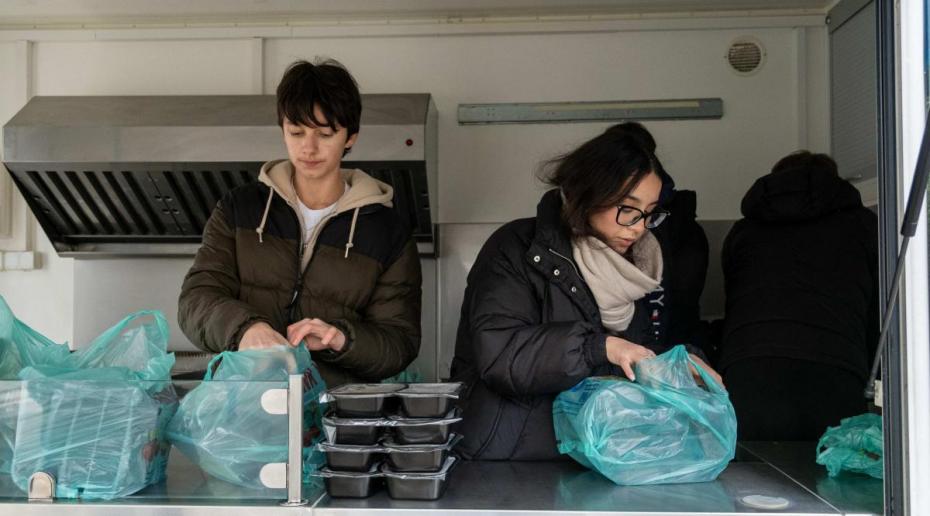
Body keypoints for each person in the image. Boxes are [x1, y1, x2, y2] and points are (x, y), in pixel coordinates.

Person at [450, 125, 721, 460]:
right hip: (507, 458)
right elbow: (501, 354)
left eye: (649, 213)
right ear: (588, 195)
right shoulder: (516, 247)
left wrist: (675, 362)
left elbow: (629, 358)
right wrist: (598, 347)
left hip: (591, 454)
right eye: (627, 208)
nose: (638, 227)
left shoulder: (635, 268)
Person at [178, 59, 422, 387]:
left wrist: (341, 339)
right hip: (242, 403)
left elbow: (400, 341)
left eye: (325, 134)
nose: (308, 148)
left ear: (350, 137)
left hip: (334, 409)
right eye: (296, 132)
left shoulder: (387, 233)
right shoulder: (240, 208)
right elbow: (196, 299)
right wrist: (246, 329)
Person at [720, 151, 878, 440]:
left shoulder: (743, 231)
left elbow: (735, 299)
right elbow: (878, 312)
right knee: (832, 466)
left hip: (748, 368)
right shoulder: (865, 226)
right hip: (835, 368)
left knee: (748, 465)